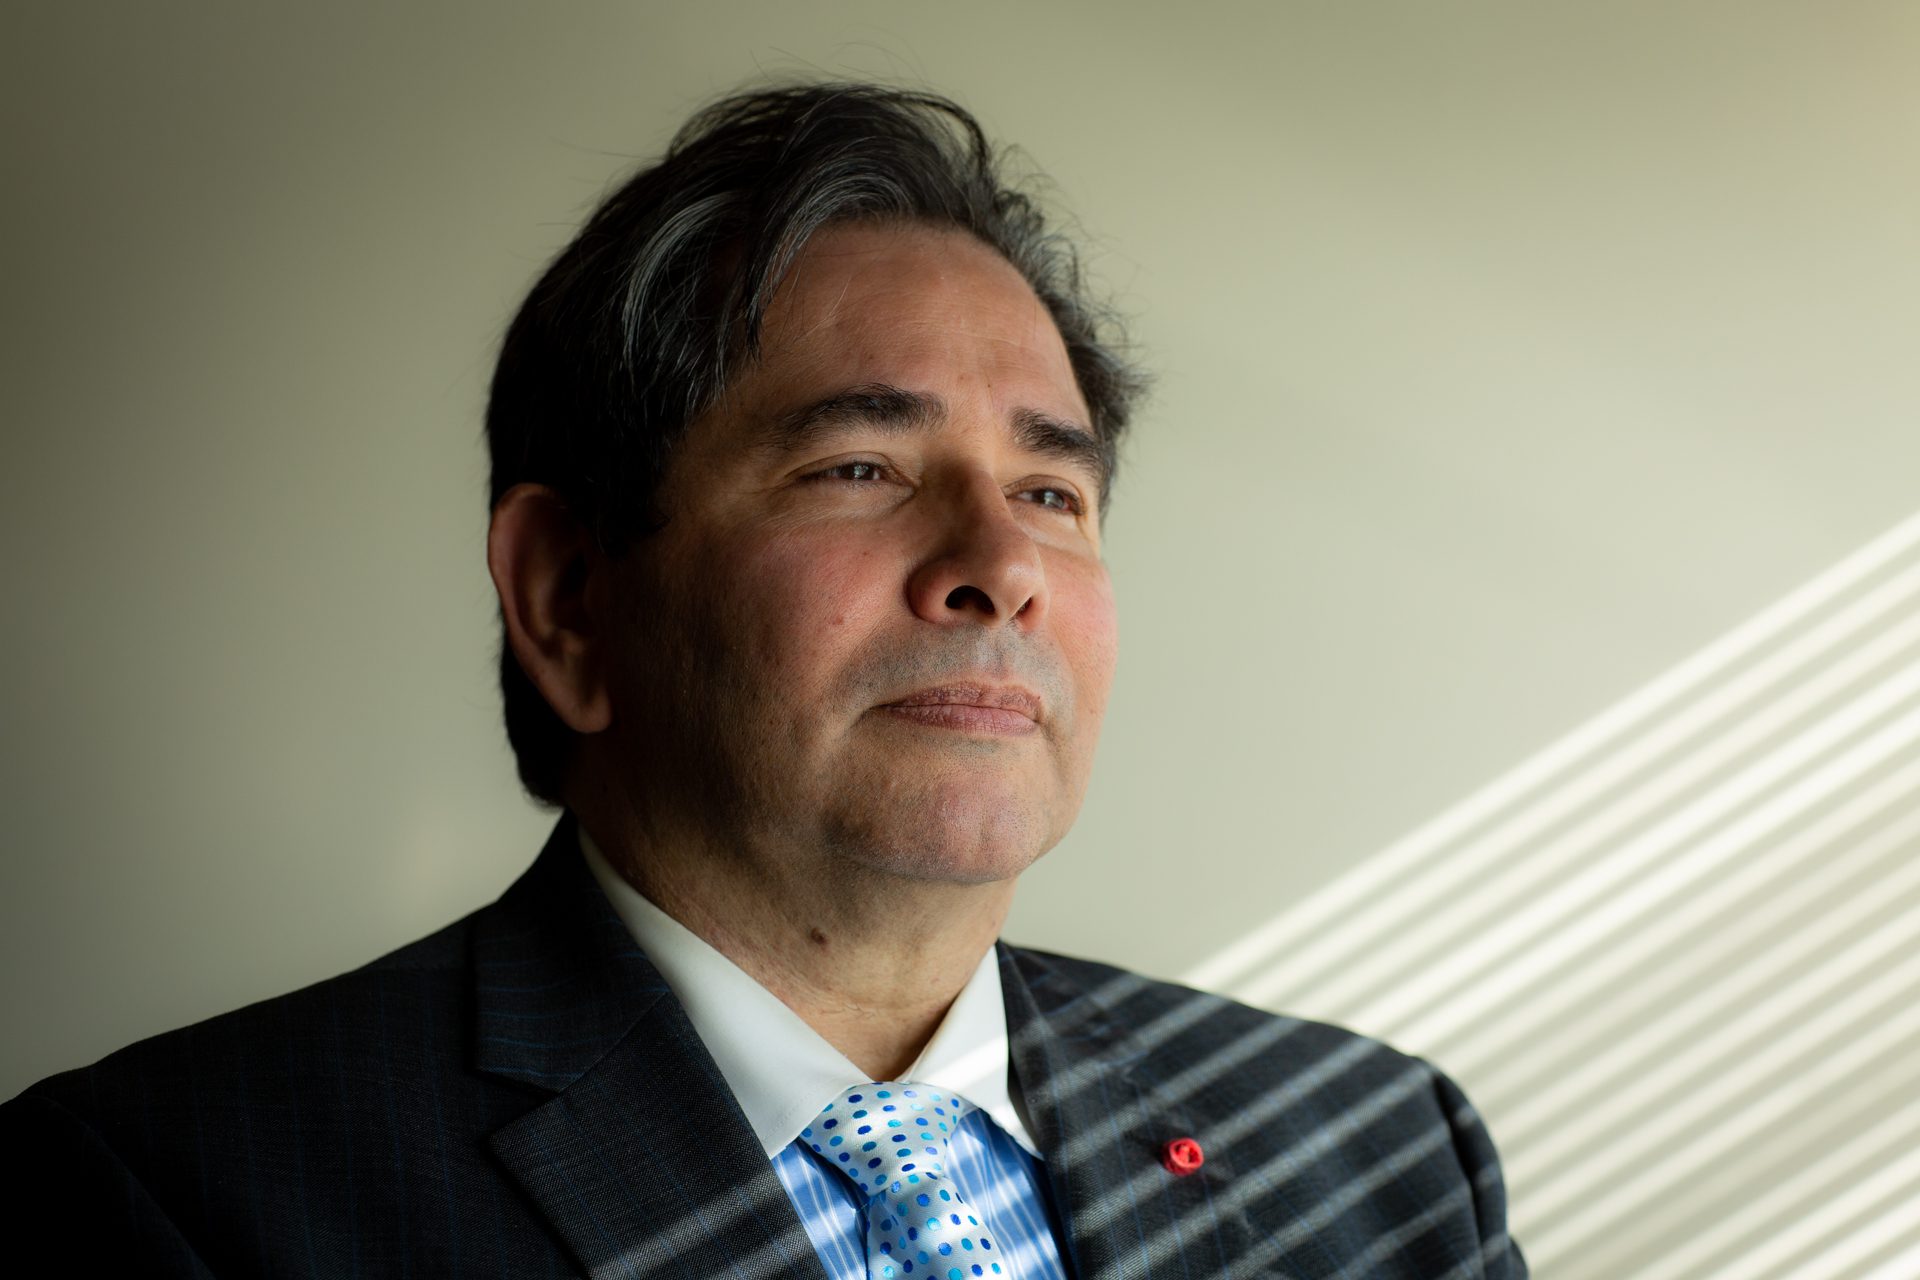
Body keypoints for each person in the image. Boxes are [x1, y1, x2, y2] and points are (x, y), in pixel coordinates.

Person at [2, 83, 1525, 1277]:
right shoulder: (172, 1201)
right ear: (570, 596)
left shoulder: (1377, 1152)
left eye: (1054, 493)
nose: (1001, 566)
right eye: (859, 465)